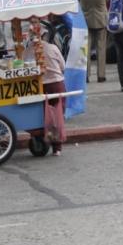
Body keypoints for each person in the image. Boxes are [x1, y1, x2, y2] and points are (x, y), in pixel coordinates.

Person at [38, 23, 68, 156]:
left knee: (45, 115)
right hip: (56, 83)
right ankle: (57, 147)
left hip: (40, 86)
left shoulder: (27, 51)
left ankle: (48, 140)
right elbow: (62, 66)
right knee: (57, 115)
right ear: (44, 35)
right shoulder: (52, 48)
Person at [77, 0, 109, 82]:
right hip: (101, 19)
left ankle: (86, 75)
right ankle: (101, 75)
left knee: (86, 48)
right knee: (101, 48)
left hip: (86, 19)